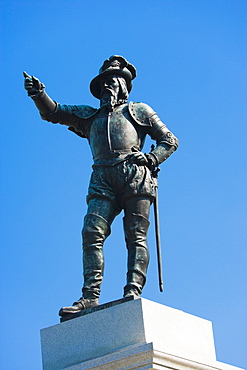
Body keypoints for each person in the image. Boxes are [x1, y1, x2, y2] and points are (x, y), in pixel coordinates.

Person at [24, 55, 178, 318]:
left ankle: (133, 289)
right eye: (104, 81)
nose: (107, 85)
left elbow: (170, 140)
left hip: (135, 175)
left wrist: (152, 158)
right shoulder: (89, 116)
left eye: (112, 81)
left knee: (135, 235)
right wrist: (39, 94)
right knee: (91, 233)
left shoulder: (140, 110)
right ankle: (89, 297)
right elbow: (53, 112)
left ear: (123, 85)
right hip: (102, 178)